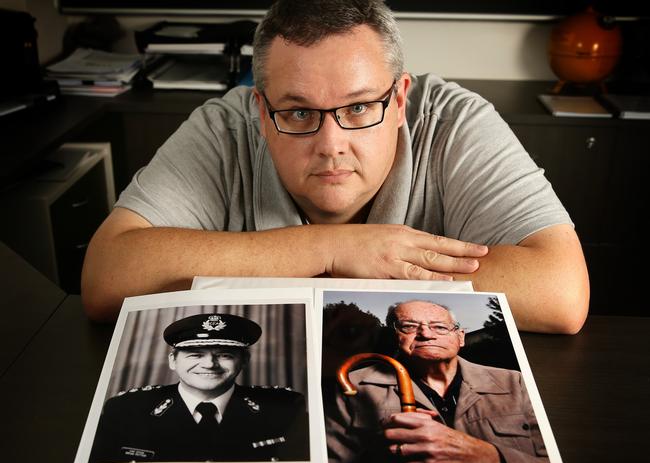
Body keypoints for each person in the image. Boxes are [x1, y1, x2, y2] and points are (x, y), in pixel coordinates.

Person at [81, 0, 589, 334]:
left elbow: (560, 291)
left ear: (400, 100)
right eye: (298, 112)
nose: (331, 144)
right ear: (260, 110)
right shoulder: (223, 127)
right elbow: (107, 276)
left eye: (360, 107)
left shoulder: (454, 120)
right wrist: (333, 249)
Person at [326, 300, 554, 463]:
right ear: (395, 335)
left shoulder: (515, 382)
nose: (425, 333)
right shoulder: (355, 384)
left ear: (461, 337)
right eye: (409, 326)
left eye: (440, 327)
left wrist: (491, 458)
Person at [89, 313, 310, 463]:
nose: (209, 364)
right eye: (195, 354)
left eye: (224, 355)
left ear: (244, 361)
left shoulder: (284, 407)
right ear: (172, 361)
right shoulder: (126, 409)